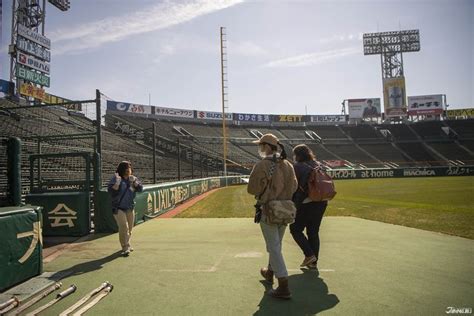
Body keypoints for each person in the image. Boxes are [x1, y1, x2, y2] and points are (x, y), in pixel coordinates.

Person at [247, 134, 298, 299]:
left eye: (261, 145)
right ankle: (270, 272)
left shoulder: (262, 164)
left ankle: (283, 284)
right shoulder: (288, 164)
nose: (260, 148)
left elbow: (252, 189)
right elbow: (295, 186)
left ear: (267, 146)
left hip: (269, 209)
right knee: (277, 244)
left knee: (273, 247)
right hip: (286, 209)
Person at [290, 144, 328, 269]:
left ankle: (309, 254)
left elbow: (294, 186)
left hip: (306, 203)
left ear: (298, 155)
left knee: (295, 229)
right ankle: (313, 263)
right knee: (313, 232)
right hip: (321, 202)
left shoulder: (298, 167)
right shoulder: (319, 165)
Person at [107, 161, 143, 256]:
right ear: (122, 169)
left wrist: (135, 182)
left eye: (129, 168)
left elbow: (140, 189)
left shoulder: (133, 178)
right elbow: (111, 191)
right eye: (126, 168)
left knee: (130, 229)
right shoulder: (116, 178)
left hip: (130, 207)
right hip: (118, 207)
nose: (128, 170)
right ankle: (125, 247)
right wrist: (117, 183)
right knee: (124, 227)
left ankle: (127, 243)